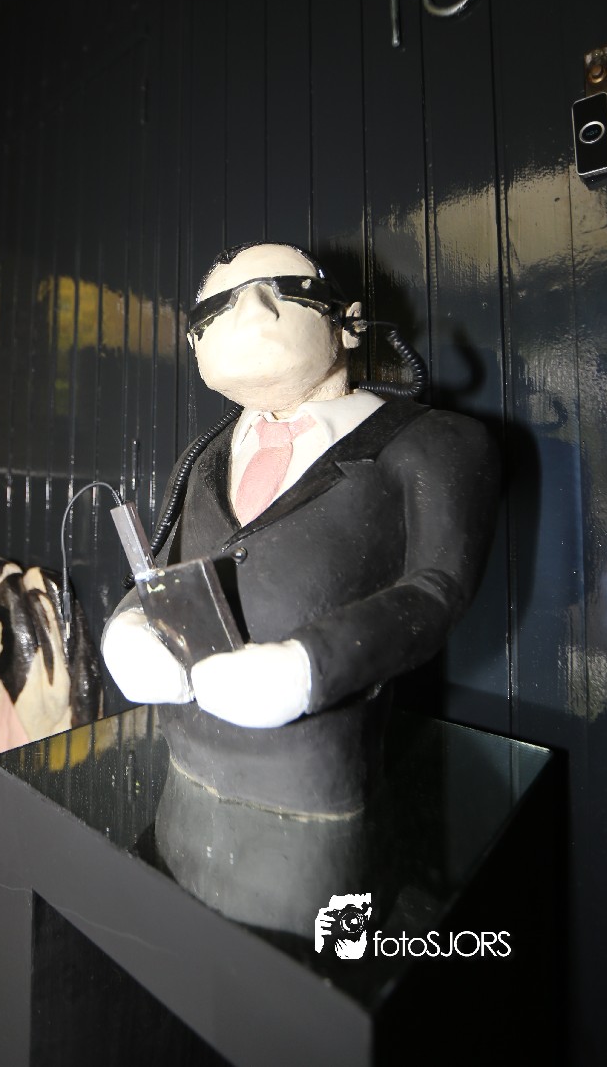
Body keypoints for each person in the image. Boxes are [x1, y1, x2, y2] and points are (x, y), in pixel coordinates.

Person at [102, 242, 499, 812]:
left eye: (284, 291)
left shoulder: (435, 440)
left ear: (350, 324)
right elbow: (163, 561)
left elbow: (437, 587)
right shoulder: (202, 455)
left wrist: (308, 668)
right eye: (217, 307)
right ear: (195, 345)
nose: (251, 312)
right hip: (182, 764)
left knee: (331, 879)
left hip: (315, 783)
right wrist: (129, 627)